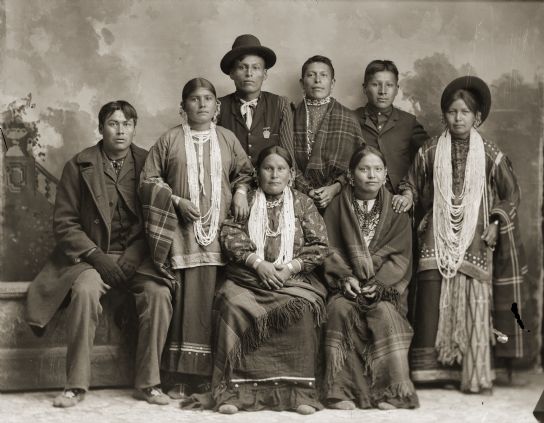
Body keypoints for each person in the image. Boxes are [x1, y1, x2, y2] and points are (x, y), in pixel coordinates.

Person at [26, 101, 174, 407]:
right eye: (113, 123)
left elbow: (159, 217)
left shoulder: (150, 164)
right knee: (84, 291)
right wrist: (97, 256)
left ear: (135, 128)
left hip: (138, 257)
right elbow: (65, 224)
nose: (120, 131)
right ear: (101, 128)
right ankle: (75, 385)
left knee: (159, 293)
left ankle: (149, 383)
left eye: (127, 124)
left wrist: (135, 252)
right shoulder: (78, 166)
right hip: (90, 258)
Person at [405, 76, 527, 394]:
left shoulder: (490, 153)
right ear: (444, 115)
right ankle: (432, 373)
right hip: (437, 236)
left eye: (464, 112)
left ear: (477, 117)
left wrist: (496, 222)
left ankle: (470, 371)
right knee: (432, 298)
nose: (458, 118)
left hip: (476, 237)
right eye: (452, 112)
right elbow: (412, 185)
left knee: (474, 299)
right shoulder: (429, 150)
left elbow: (511, 194)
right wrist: (405, 194)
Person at [139, 78, 254, 398]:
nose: (202, 104)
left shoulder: (228, 139)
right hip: (181, 235)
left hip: (219, 236)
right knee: (183, 303)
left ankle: (207, 375)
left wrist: (242, 191)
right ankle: (177, 375)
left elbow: (244, 172)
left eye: (208, 99)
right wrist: (176, 201)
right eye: (194, 99)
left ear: (217, 107)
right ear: (183, 106)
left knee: (211, 303)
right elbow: (149, 180)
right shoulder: (169, 140)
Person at [204, 146, 329, 415]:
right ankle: (234, 393)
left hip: (292, 279)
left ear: (291, 174)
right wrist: (258, 264)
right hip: (247, 278)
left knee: (303, 310)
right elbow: (230, 235)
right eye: (268, 168)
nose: (274, 175)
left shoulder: (303, 203)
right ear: (257, 172)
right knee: (232, 306)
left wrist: (289, 269)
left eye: (280, 169)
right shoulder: (244, 200)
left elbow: (319, 244)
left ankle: (298, 394)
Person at [321, 145, 419, 410]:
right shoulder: (337, 207)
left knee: (386, 315)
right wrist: (345, 278)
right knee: (340, 310)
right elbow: (329, 249)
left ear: (386, 174)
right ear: (351, 175)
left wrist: (379, 285)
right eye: (364, 169)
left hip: (383, 287)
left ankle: (391, 391)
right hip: (347, 286)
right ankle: (340, 390)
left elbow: (400, 257)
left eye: (377, 169)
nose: (371, 175)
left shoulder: (397, 211)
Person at [354, 60, 429, 213]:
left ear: (396, 89)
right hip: (360, 200)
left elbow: (429, 155)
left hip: (399, 202)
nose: (383, 91)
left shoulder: (408, 122)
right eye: (375, 85)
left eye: (389, 85)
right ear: (365, 88)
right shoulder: (350, 119)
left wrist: (409, 193)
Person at [293, 55, 364, 210]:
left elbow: (359, 163)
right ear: (302, 83)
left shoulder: (348, 118)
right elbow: (285, 160)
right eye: (311, 75)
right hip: (296, 196)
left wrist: (335, 188)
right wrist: (307, 190)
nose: (317, 80)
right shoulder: (289, 116)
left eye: (323, 75)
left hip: (340, 198)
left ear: (332, 83)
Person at [218, 34, 295, 167]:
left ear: (264, 74)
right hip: (230, 184)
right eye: (242, 67)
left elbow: (288, 159)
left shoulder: (280, 104)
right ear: (232, 73)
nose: (249, 73)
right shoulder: (218, 106)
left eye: (256, 67)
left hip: (270, 184)